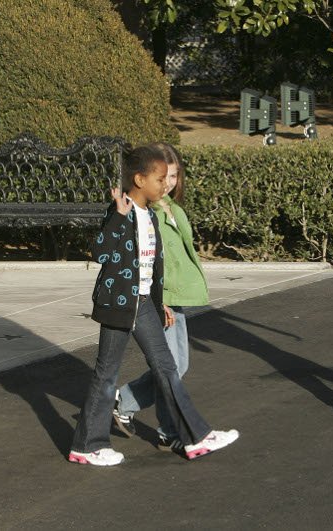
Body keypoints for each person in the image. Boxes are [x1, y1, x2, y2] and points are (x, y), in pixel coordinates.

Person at [68, 144, 238, 466]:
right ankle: (87, 446)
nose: (165, 185)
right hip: (119, 305)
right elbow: (100, 253)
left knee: (167, 367)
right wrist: (117, 217)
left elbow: (151, 268)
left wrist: (161, 306)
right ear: (139, 179)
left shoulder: (150, 215)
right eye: (159, 179)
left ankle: (195, 438)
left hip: (145, 304)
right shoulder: (122, 209)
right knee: (106, 374)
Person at [112, 143, 209, 452]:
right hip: (162, 297)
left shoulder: (172, 208)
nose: (169, 182)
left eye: (175, 175)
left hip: (178, 296)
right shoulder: (147, 211)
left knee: (177, 367)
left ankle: (125, 402)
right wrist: (160, 300)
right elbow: (149, 259)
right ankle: (168, 429)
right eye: (164, 176)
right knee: (171, 368)